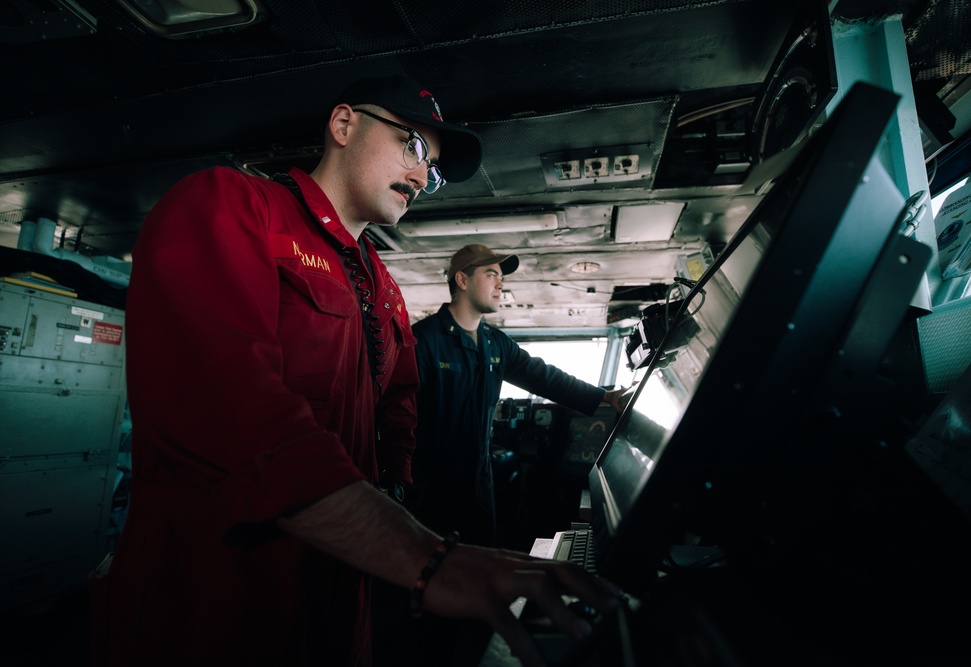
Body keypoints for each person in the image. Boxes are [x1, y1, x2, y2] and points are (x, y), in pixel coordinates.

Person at [93, 74, 619, 667]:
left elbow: (398, 416)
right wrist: (423, 556)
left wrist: (396, 525)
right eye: (412, 147)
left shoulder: (384, 287)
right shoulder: (230, 205)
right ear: (343, 125)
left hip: (341, 587)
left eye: (434, 169)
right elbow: (224, 409)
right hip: (217, 590)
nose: (423, 178)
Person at [410, 244, 630, 548]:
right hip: (433, 488)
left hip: (480, 481)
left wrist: (605, 397)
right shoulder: (424, 340)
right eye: (491, 275)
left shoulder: (495, 343)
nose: (501, 284)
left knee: (483, 561)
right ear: (462, 280)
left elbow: (544, 377)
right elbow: (397, 417)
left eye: (501, 277)